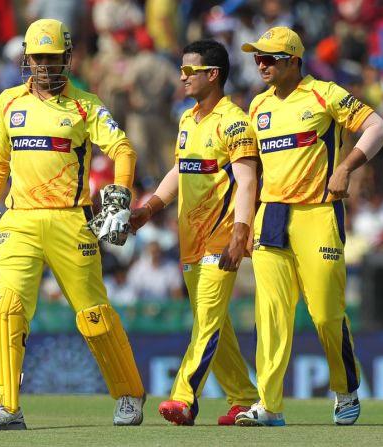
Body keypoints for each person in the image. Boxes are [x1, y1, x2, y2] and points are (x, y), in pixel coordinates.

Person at [0, 19, 144, 429]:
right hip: (19, 221)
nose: (45, 66)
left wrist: (118, 198)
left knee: (94, 315)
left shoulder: (86, 104)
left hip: (70, 219)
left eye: (53, 58)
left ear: (67, 57)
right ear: (26, 59)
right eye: (38, 58)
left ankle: (129, 394)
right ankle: (5, 407)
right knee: (3, 307)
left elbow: (123, 149)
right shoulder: (8, 102)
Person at [235, 27, 383, 426]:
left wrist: (345, 167)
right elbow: (249, 170)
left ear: (292, 60)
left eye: (269, 57)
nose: (260, 64)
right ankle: (269, 406)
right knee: (270, 315)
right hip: (270, 216)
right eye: (257, 57)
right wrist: (242, 221)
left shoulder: (325, 93)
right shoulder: (257, 106)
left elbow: (378, 128)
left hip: (318, 213)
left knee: (324, 314)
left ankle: (345, 389)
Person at [130, 39, 260, 426]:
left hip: (221, 239)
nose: (182, 77)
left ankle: (184, 398)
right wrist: (150, 208)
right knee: (216, 323)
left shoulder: (234, 121)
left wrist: (241, 234)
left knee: (205, 321)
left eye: (190, 70)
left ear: (213, 74)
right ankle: (243, 398)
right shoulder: (188, 119)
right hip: (191, 240)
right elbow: (178, 171)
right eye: (182, 69)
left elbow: (248, 180)